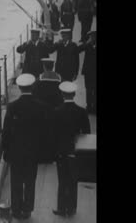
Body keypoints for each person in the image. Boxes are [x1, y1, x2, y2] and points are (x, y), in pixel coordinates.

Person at [3, 74, 51, 220]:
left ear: (19, 87)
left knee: (16, 181)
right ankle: (27, 209)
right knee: (30, 181)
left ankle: (16, 209)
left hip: (16, 152)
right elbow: (45, 132)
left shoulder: (12, 107)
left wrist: (5, 150)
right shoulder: (41, 107)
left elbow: (6, 132)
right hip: (33, 152)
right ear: (32, 87)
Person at [52, 82, 91, 217]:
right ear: (74, 94)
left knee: (62, 180)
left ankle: (62, 208)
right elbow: (87, 133)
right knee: (73, 180)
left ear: (62, 95)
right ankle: (72, 208)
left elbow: (54, 134)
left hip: (61, 152)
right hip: (75, 151)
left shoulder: (57, 111)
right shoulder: (81, 112)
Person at [78, 30, 96, 113]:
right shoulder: (87, 45)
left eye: (94, 36)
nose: (93, 38)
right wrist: (86, 43)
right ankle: (89, 106)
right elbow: (78, 50)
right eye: (91, 37)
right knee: (88, 89)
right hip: (88, 72)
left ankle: (95, 107)